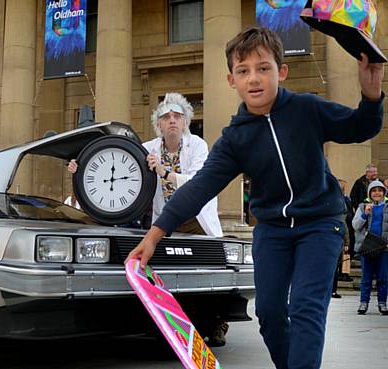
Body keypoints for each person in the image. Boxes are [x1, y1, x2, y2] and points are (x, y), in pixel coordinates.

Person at [126, 26, 384, 369]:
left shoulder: (306, 109)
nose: (254, 78)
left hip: (320, 224)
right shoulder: (236, 137)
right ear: (231, 80)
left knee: (306, 307)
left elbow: (358, 128)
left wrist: (371, 96)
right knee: (270, 313)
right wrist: (155, 235)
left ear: (282, 71)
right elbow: (201, 186)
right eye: (243, 70)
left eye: (264, 68)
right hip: (273, 230)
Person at [67, 92, 225, 345]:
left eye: (177, 116)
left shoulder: (198, 146)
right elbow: (114, 162)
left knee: (209, 275)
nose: (172, 120)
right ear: (158, 124)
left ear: (185, 122)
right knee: (168, 273)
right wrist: (82, 166)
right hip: (166, 221)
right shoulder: (148, 148)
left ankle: (217, 323)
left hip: (197, 219)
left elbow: (200, 182)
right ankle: (170, 324)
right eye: (166, 117)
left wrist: (164, 172)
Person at [351, 180, 388, 315]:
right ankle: (363, 302)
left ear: (384, 192)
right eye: (374, 190)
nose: (377, 193)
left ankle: (382, 303)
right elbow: (355, 226)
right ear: (369, 193)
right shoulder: (362, 206)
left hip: (384, 248)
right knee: (366, 277)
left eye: (380, 190)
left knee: (383, 278)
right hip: (368, 248)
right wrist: (365, 214)